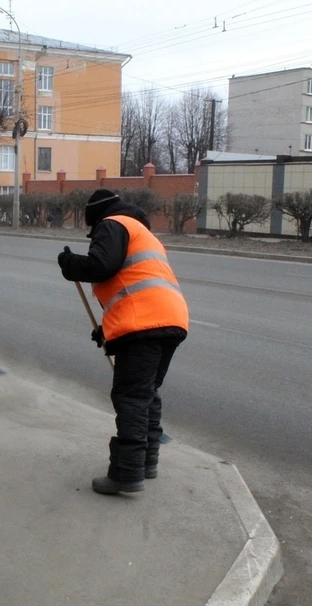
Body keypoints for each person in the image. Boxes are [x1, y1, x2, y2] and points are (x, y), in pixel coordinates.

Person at [57, 188, 189, 495]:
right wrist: (106, 329)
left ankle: (126, 473)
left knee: (130, 397)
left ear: (96, 218)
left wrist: (69, 262)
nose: (94, 235)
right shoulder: (140, 230)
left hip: (145, 324)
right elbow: (131, 286)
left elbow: (101, 266)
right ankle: (147, 461)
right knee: (145, 393)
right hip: (170, 319)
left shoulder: (113, 224)